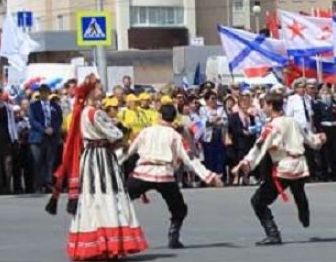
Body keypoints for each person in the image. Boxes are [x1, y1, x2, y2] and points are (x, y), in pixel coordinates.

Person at [47, 76, 148, 261]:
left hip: (89, 157)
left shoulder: (82, 112)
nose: (102, 90)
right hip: (101, 158)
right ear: (92, 91)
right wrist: (120, 133)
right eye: (99, 87)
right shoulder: (96, 113)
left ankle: (93, 242)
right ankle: (109, 243)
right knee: (108, 195)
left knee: (91, 198)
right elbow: (114, 134)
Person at [123, 103, 221, 249]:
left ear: (159, 116)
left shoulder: (146, 131)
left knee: (120, 201)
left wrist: (108, 164)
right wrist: (209, 176)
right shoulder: (175, 135)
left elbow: (128, 152)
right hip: (164, 174)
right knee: (179, 208)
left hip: (143, 172)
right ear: (174, 118)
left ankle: (118, 235)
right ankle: (173, 235)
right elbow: (190, 159)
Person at [232, 92, 325, 245]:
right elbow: (309, 139)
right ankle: (303, 210)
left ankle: (273, 233)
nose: (262, 107)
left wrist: (245, 162)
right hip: (300, 167)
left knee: (258, 201)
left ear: (270, 106)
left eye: (264, 105)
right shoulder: (293, 121)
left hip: (284, 168)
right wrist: (318, 140)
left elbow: (259, 146)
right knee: (298, 190)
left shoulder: (272, 126)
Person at [28, 85, 62, 193]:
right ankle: (38, 185)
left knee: (50, 161)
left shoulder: (55, 106)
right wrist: (43, 129)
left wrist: (53, 128)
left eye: (46, 92)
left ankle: (48, 183)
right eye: (42, 92)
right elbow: (33, 121)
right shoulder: (34, 106)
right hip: (38, 137)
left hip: (51, 137)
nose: (44, 94)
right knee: (37, 161)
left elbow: (59, 119)